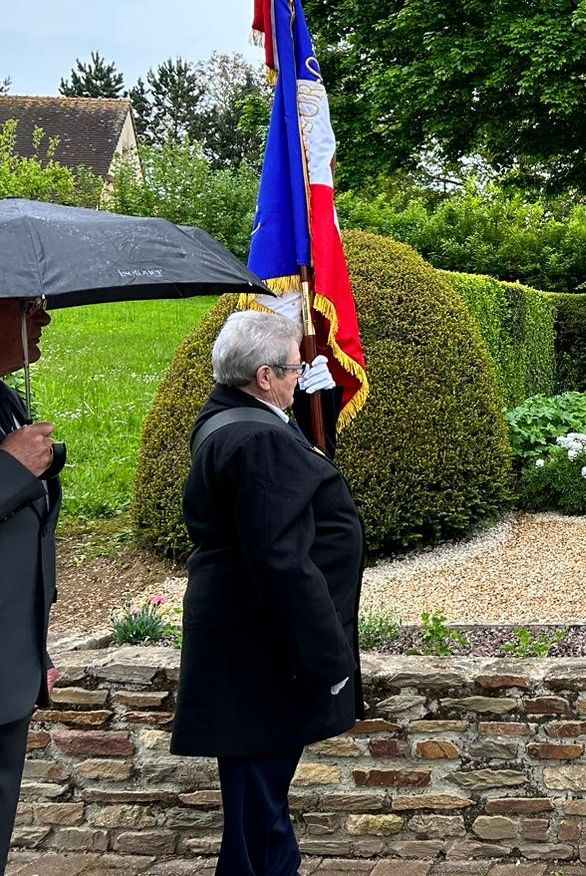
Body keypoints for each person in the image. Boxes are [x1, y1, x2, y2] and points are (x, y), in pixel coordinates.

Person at [172, 311, 363, 876]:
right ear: (263, 375)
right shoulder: (258, 441)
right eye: (294, 370)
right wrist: (327, 656)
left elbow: (274, 475)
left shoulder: (229, 417)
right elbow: (280, 559)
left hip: (243, 634)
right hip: (262, 643)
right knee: (258, 800)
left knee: (260, 796)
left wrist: (311, 408)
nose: (300, 377)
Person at [0, 299, 59, 875]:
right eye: (29, 307)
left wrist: (32, 649)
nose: (44, 319)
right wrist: (10, 469)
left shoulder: (5, 399)